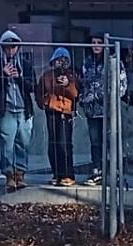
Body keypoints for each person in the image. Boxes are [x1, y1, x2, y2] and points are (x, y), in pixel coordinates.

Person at [0, 30, 39, 192]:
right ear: (2, 47)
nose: (11, 50)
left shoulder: (25, 64)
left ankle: (20, 173)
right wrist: (3, 76)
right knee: (7, 143)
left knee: (23, 142)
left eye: (14, 46)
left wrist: (18, 77)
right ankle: (8, 174)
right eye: (7, 46)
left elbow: (33, 87)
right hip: (6, 109)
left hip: (24, 109)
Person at [79, 34, 125, 186]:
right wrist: (83, 99)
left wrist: (110, 98)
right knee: (95, 142)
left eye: (100, 43)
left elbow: (122, 86)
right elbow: (82, 83)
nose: (96, 45)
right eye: (94, 43)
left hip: (109, 110)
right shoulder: (87, 63)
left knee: (112, 141)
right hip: (92, 111)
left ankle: (115, 172)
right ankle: (97, 171)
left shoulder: (114, 62)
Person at [38, 47, 81, 186]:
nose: (61, 63)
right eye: (58, 60)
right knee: (53, 145)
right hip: (51, 112)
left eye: (64, 60)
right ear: (53, 61)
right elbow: (39, 91)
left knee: (65, 144)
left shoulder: (72, 76)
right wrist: (44, 103)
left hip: (65, 113)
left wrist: (67, 84)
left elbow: (75, 95)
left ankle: (68, 174)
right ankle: (57, 173)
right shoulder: (47, 75)